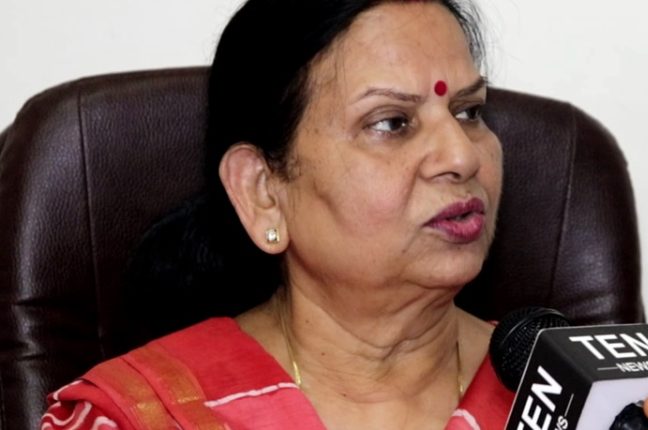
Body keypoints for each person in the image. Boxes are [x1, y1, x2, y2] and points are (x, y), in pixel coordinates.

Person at [41, 0, 511, 428]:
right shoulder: (141, 417)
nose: (462, 156)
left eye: (468, 112)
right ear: (263, 192)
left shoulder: (549, 382)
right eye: (391, 123)